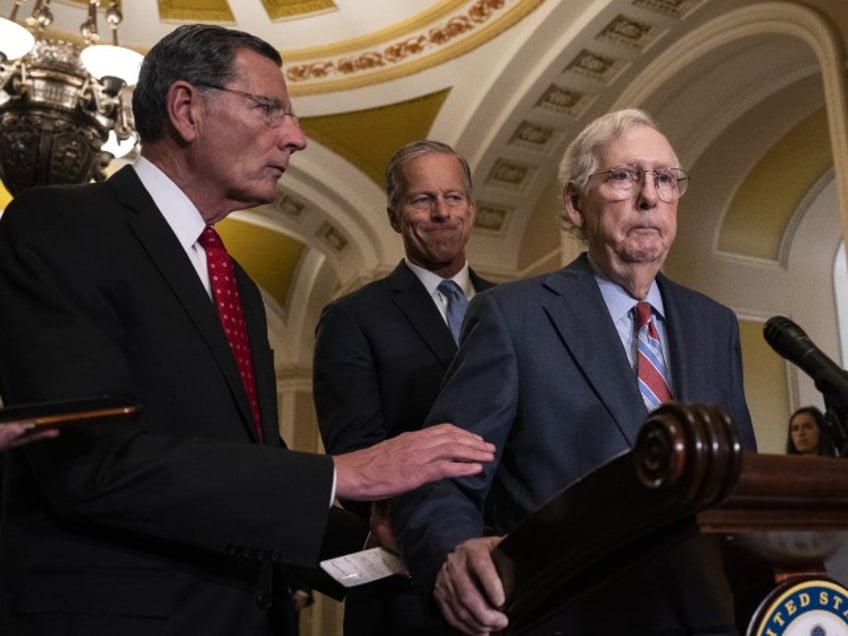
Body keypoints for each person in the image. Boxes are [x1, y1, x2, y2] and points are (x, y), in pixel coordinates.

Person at [0, 24, 495, 636]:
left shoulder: (236, 285)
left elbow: (252, 471)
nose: (296, 138)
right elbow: (91, 466)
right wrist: (344, 474)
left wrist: (408, 552)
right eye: (270, 110)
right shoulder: (60, 227)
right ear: (186, 109)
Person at [394, 108, 759, 635]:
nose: (649, 197)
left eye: (664, 180)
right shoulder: (513, 317)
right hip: (570, 615)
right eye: (623, 177)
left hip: (707, 619)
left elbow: (741, 480)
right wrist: (455, 555)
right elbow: (442, 478)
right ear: (574, 203)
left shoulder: (714, 324)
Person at [313, 140, 495, 634]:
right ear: (395, 216)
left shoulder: (517, 309)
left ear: (472, 209)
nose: (442, 213)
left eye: (454, 197)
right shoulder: (352, 319)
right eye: (422, 200)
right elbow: (358, 457)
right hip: (408, 589)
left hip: (512, 576)